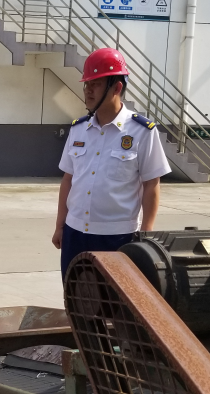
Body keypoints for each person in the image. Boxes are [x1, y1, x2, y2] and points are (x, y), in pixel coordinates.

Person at [52, 47, 171, 277]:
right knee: (76, 295)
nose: (88, 90)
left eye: (95, 84)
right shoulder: (78, 129)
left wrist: (146, 236)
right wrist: (60, 225)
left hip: (117, 238)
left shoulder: (142, 132)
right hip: (75, 234)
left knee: (113, 298)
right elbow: (68, 179)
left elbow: (151, 185)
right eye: (86, 84)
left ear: (116, 87)